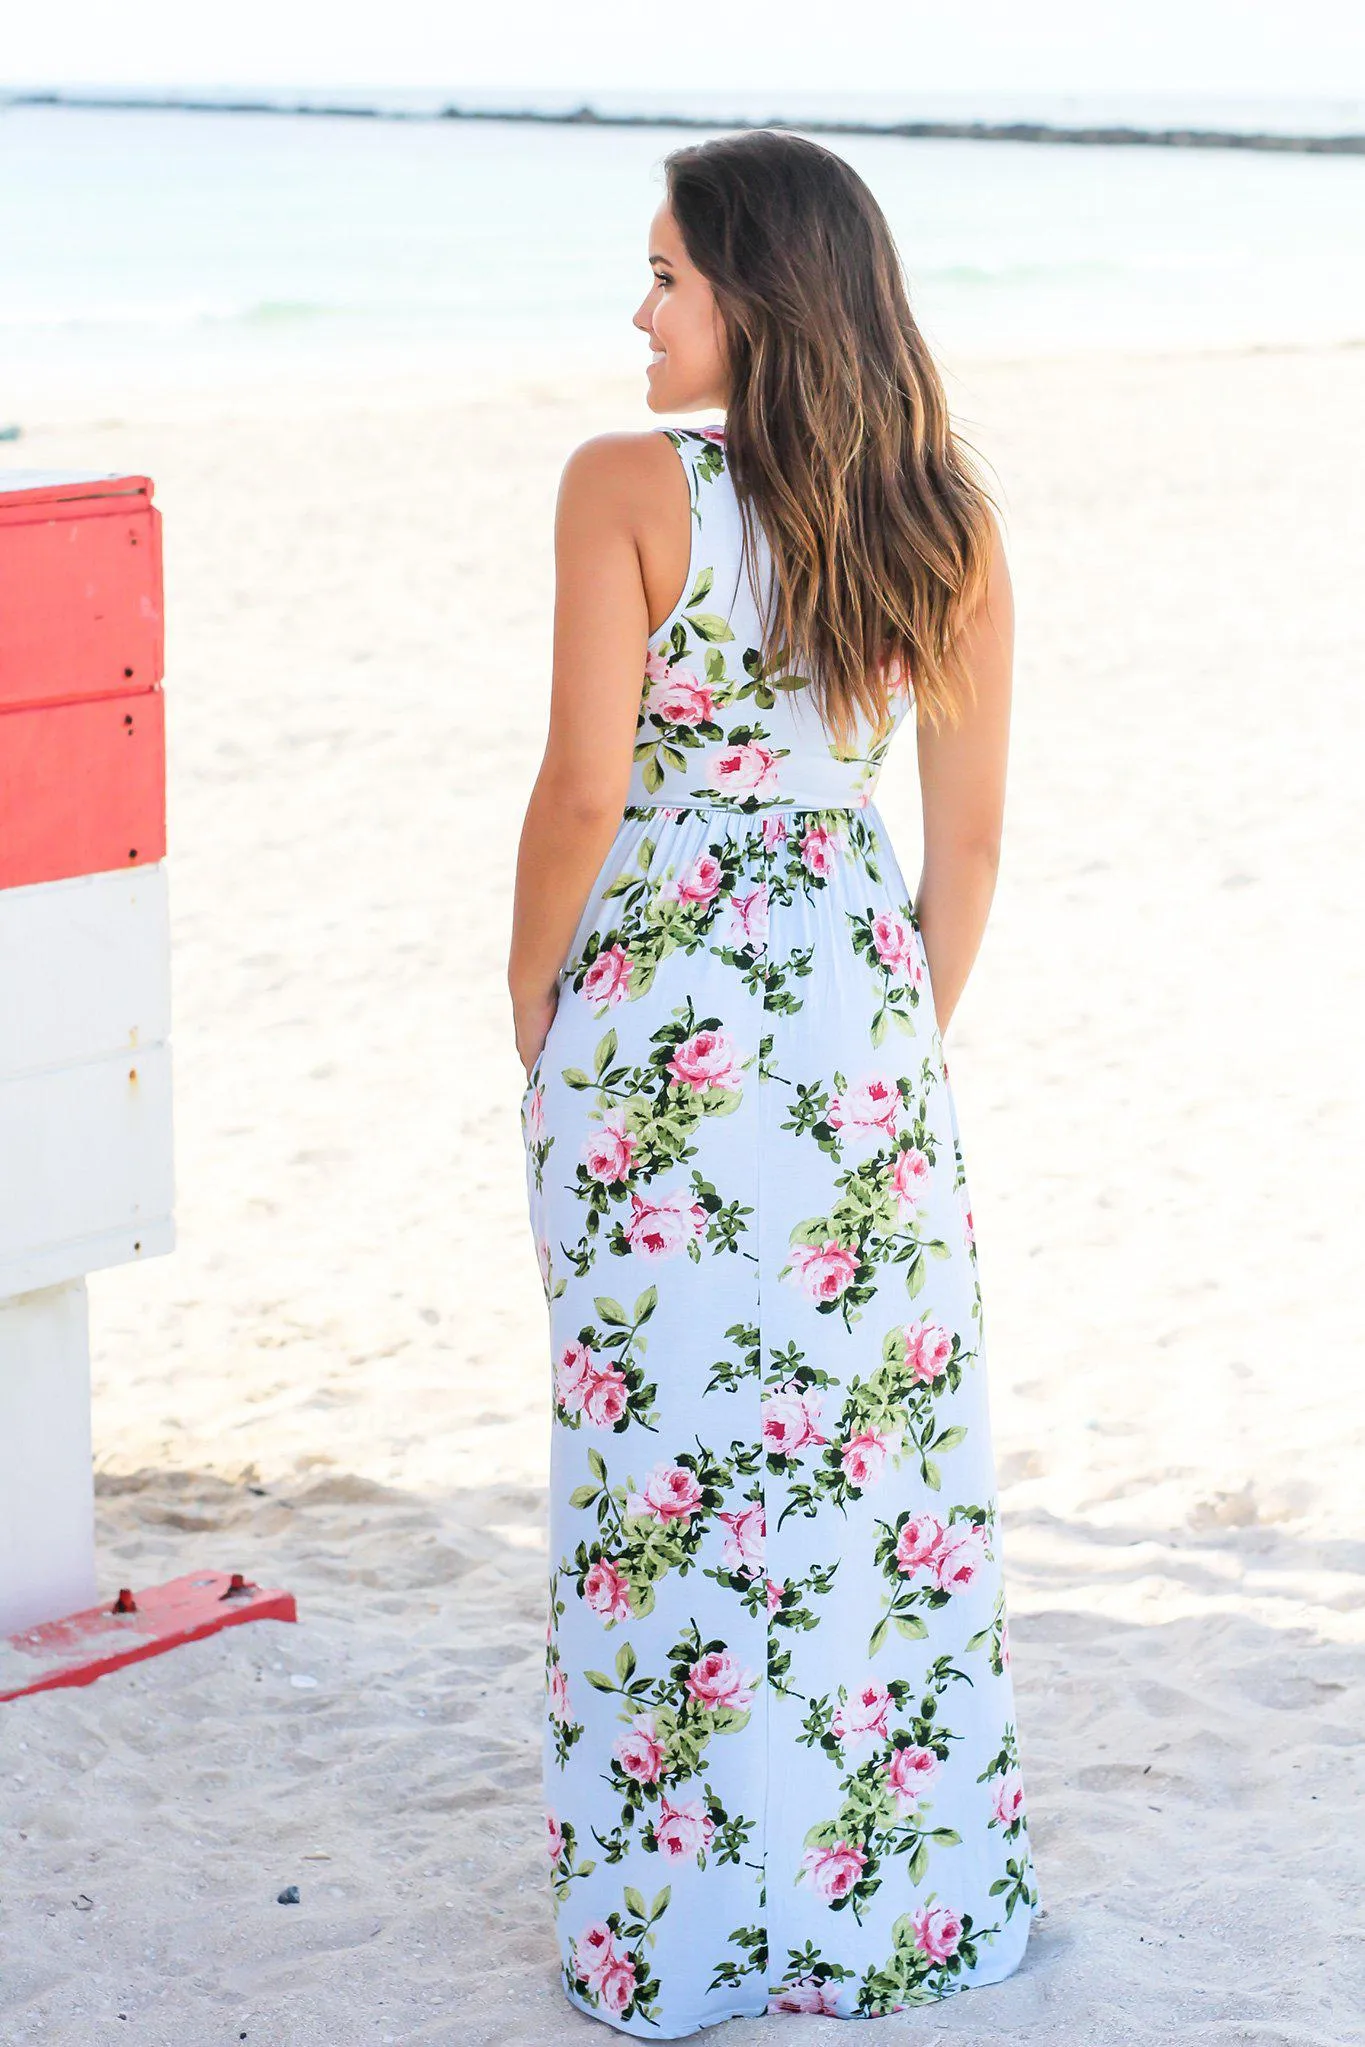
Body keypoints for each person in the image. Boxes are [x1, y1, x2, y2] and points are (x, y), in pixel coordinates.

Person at [507, 128, 1037, 2037]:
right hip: (858, 1024)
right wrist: (884, 1050)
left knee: (666, 1465)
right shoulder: (946, 515)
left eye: (665, 274)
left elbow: (583, 792)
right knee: (862, 1466)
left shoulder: (621, 487)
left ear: (757, 292)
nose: (638, 309)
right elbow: (962, 856)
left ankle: (684, 1914)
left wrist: (535, 1007)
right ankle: (880, 1906)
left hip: (660, 1011)